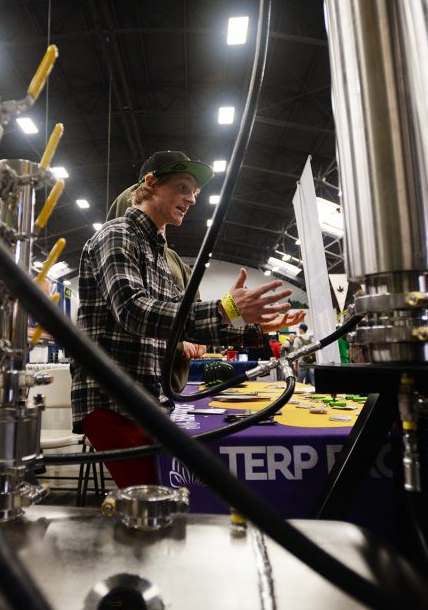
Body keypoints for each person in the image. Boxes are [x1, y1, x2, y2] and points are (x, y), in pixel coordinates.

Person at [71, 150, 304, 487]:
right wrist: (227, 309)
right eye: (183, 187)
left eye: (194, 192)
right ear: (150, 184)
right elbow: (134, 311)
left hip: (148, 400)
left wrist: (253, 327)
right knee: (154, 498)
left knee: (166, 499)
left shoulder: (160, 257)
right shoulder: (116, 234)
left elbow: (187, 325)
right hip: (113, 402)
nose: (192, 199)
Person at [106, 182, 205, 394]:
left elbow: (194, 306)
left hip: (166, 384)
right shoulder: (117, 239)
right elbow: (132, 313)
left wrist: (203, 335)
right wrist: (181, 344)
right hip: (124, 390)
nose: (159, 229)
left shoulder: (171, 260)